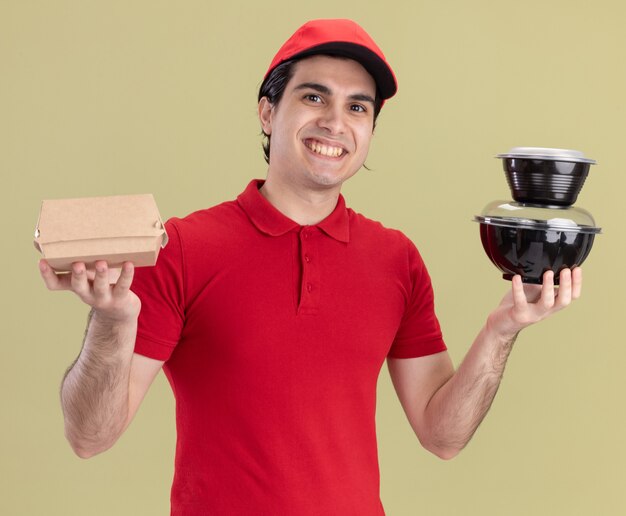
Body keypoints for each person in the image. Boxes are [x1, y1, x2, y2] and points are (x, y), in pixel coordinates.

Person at [39, 18, 582, 516]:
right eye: (314, 96)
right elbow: (91, 436)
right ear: (268, 111)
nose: (335, 122)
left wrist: (501, 330)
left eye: (357, 106)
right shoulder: (181, 247)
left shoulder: (396, 259)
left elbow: (443, 436)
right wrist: (110, 322)